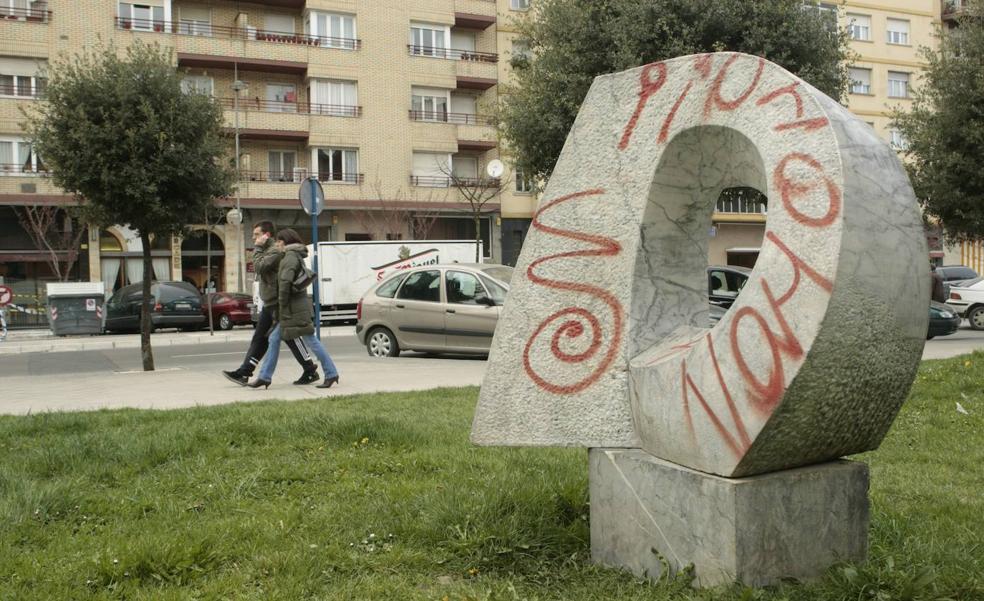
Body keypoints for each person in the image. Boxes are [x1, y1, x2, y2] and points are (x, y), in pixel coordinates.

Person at [222, 221, 319, 386]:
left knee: (290, 336)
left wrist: (258, 248)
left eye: (257, 234)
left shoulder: (275, 250)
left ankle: (310, 370)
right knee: (261, 337)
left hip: (278, 302)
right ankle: (245, 371)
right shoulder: (270, 250)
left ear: (267, 235)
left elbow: (259, 267)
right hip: (270, 302)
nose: (254, 238)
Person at [249, 228, 339, 389]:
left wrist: (281, 306)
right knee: (274, 339)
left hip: (292, 310)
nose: (276, 244)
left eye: (278, 241)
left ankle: (331, 373)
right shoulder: (293, 255)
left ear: (284, 242)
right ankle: (264, 377)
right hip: (295, 308)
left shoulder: (289, 257)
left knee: (311, 341)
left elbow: (284, 284)